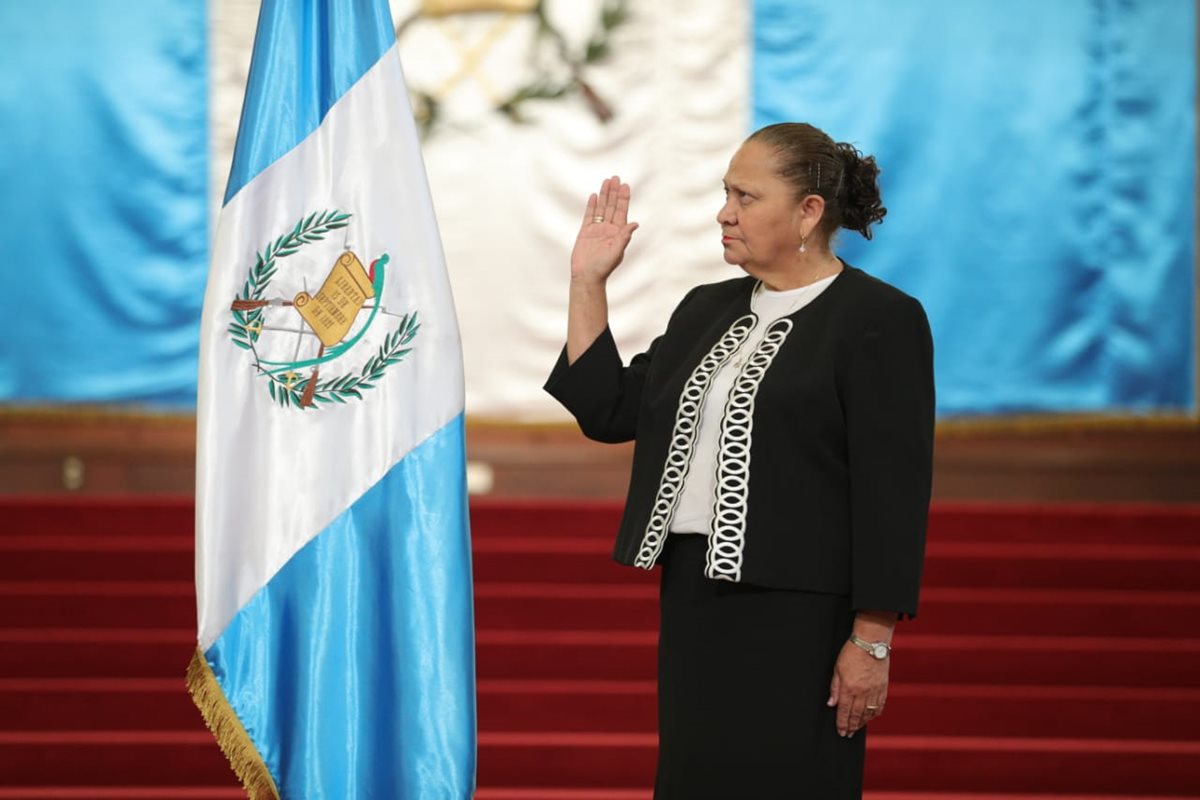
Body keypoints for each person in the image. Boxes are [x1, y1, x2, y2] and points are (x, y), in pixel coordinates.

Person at [543, 122, 934, 798]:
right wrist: (587, 281)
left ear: (809, 212)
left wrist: (871, 643)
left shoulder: (879, 318)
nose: (725, 212)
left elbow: (891, 492)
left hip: (803, 616)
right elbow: (608, 411)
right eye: (726, 193)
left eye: (746, 197)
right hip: (697, 599)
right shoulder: (705, 308)